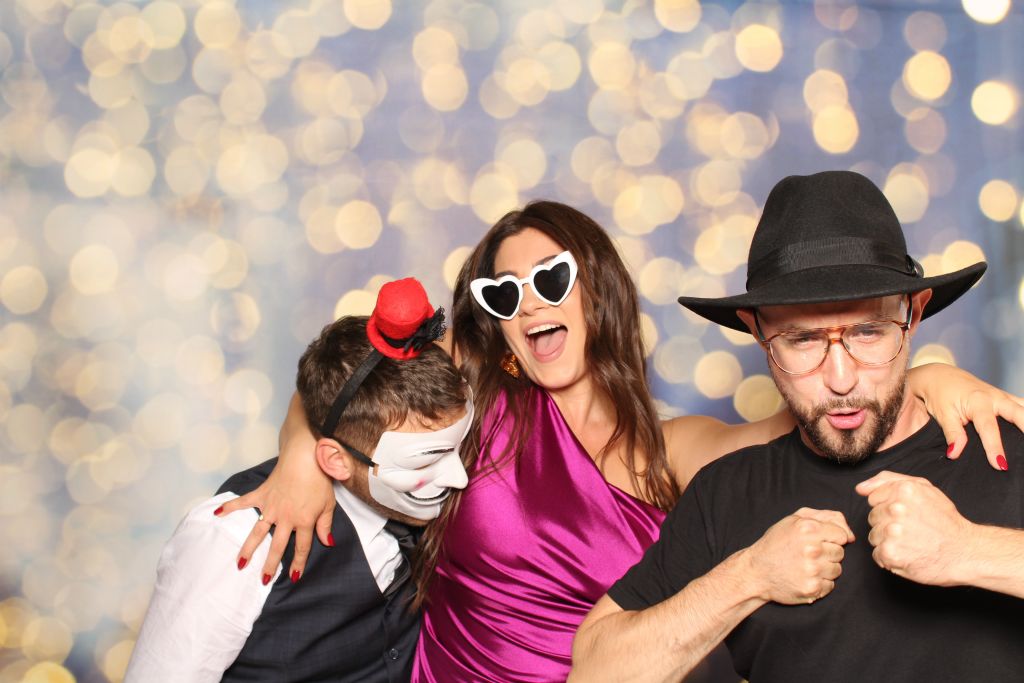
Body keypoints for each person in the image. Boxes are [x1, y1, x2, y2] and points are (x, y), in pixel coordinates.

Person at [217, 201, 1022, 682]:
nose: (531, 304)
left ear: (596, 287)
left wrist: (929, 374)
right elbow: (343, 379)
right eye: (505, 293)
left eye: (551, 279)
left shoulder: (680, 451)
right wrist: (300, 462)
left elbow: (826, 405)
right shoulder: (477, 391)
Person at [571, 171, 1024, 683]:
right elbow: (595, 673)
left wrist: (967, 549)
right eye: (802, 340)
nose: (840, 378)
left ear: (913, 314)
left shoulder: (1002, 443)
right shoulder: (727, 491)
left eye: (868, 332)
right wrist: (747, 578)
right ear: (757, 330)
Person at [125, 279, 473, 682]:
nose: (460, 476)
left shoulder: (416, 500)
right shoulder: (234, 539)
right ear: (336, 461)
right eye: (424, 461)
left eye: (459, 446)